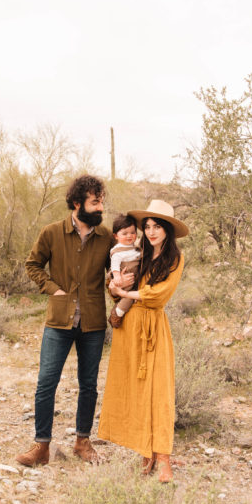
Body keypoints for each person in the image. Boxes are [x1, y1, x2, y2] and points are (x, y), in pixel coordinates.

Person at [15, 175, 133, 467]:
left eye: (102, 202)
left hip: (92, 323)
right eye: (95, 202)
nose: (100, 208)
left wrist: (117, 285)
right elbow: (32, 265)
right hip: (58, 321)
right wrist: (52, 288)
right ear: (78, 203)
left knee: (89, 384)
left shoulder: (106, 237)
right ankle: (41, 447)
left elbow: (113, 271)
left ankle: (83, 442)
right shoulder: (52, 233)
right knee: (46, 383)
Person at [98, 199, 188, 482]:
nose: (150, 231)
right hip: (129, 328)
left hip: (153, 327)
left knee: (159, 391)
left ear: (167, 230)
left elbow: (160, 294)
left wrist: (130, 295)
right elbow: (117, 288)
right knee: (136, 390)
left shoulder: (174, 258)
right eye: (146, 226)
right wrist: (114, 287)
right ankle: (145, 451)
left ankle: (163, 458)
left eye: (157, 226)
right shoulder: (137, 254)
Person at [107, 213, 141, 329]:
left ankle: (119, 309)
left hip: (133, 275)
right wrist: (117, 276)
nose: (129, 236)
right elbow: (115, 263)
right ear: (116, 236)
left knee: (132, 295)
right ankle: (117, 313)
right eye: (124, 233)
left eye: (132, 232)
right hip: (124, 277)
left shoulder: (134, 247)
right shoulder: (118, 250)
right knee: (129, 297)